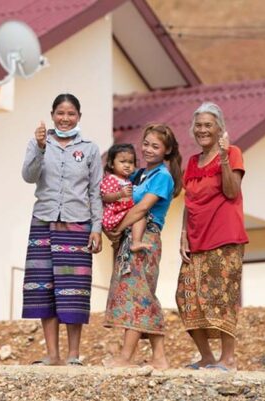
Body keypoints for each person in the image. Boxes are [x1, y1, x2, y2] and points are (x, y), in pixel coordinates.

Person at [20, 93, 103, 366]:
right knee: (45, 288)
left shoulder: (90, 149)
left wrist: (96, 227)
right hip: (43, 221)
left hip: (77, 224)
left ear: (79, 116)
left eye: (71, 114)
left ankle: (73, 355)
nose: (65, 119)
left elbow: (95, 191)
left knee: (74, 290)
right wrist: (42, 147)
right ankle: (52, 355)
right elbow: (28, 176)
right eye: (60, 113)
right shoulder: (38, 143)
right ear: (52, 114)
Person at [102, 123, 183, 370]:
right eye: (146, 144)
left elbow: (142, 208)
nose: (148, 149)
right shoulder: (139, 175)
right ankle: (159, 357)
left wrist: (117, 228)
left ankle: (126, 357)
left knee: (137, 295)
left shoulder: (162, 177)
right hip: (132, 235)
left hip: (146, 237)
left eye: (155, 146)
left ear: (167, 151)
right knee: (140, 294)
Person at [176, 102, 248, 371]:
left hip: (224, 237)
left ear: (220, 128)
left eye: (208, 125)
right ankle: (207, 356)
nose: (202, 130)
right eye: (199, 125)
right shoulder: (193, 161)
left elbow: (232, 191)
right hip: (195, 239)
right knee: (185, 297)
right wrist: (183, 233)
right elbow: (189, 200)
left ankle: (228, 359)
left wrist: (225, 157)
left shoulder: (232, 152)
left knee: (222, 297)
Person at [100, 144, 148, 252]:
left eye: (130, 162)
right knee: (140, 217)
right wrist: (120, 194)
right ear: (111, 164)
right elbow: (105, 197)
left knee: (139, 217)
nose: (127, 165)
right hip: (114, 214)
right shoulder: (111, 179)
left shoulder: (127, 180)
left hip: (123, 212)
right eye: (122, 162)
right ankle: (136, 242)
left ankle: (120, 243)